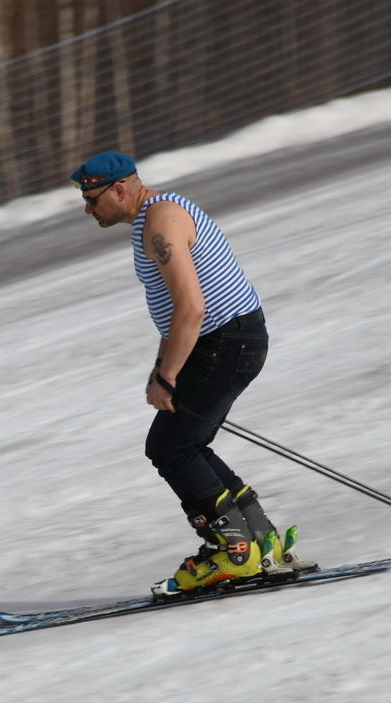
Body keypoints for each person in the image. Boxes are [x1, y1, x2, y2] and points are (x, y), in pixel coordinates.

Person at [70, 151, 314, 595]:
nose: (88, 208)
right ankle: (262, 542)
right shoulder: (153, 218)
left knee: (170, 446)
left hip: (225, 341)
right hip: (229, 340)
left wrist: (167, 376)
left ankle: (233, 552)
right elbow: (175, 313)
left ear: (120, 189)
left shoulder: (162, 220)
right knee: (186, 443)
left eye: (91, 198)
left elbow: (192, 307)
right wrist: (162, 368)